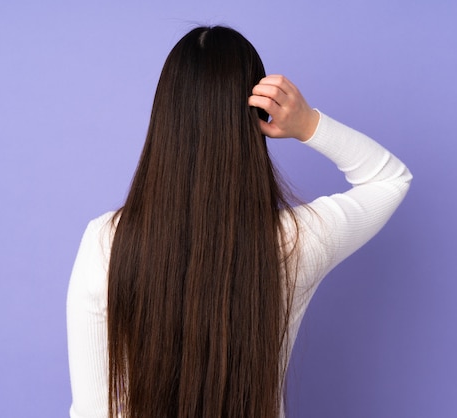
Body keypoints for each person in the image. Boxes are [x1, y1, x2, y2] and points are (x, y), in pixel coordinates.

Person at [66, 25, 412, 418]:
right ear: (253, 119)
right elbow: (390, 179)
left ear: (165, 116)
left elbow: (93, 411)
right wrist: (308, 124)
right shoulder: (297, 241)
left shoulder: (105, 242)